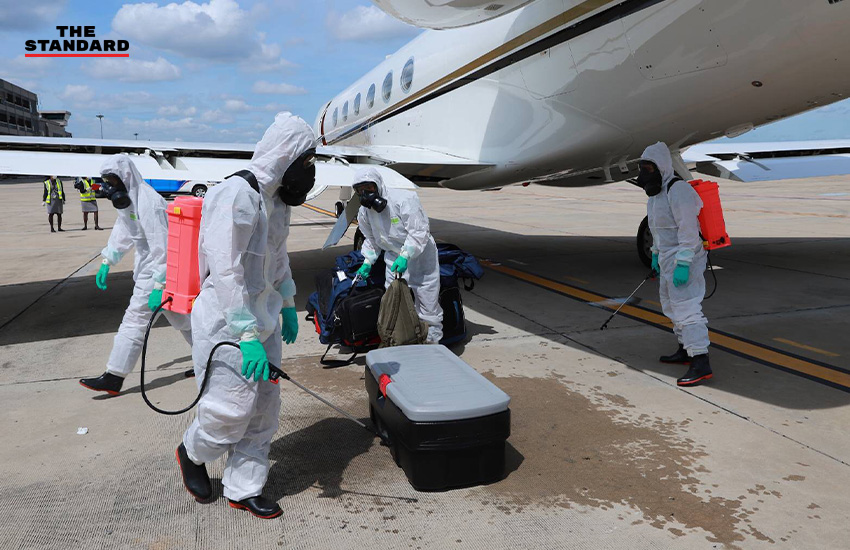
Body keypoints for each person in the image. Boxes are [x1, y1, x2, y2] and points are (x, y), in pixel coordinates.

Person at [176, 112, 315, 519]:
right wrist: (245, 333)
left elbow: (278, 257)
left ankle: (244, 487)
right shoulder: (235, 194)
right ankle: (192, 452)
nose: (309, 171)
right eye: (306, 161)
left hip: (265, 317)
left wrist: (287, 303)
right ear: (285, 155)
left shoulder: (278, 201)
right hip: (226, 322)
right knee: (230, 409)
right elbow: (225, 270)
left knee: (264, 409)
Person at [79, 156, 192, 396]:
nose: (110, 186)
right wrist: (108, 260)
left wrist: (160, 283)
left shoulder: (149, 202)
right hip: (149, 267)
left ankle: (114, 376)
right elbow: (123, 230)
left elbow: (163, 245)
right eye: (106, 181)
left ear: (126, 176)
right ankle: (210, 359)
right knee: (185, 320)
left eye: (113, 180)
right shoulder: (129, 201)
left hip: (159, 269)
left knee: (135, 319)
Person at [638, 142, 712, 387]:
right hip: (668, 258)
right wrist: (655, 255)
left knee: (687, 308)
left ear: (661, 166)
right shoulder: (655, 195)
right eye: (643, 167)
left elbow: (688, 230)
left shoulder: (678, 189)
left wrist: (684, 263)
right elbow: (657, 229)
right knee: (671, 306)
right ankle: (685, 349)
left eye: (649, 167)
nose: (645, 173)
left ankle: (700, 360)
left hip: (685, 257)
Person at [353, 166, 443, 344]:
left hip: (420, 256)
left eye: (369, 188)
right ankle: (400, 336)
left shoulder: (403, 199)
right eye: (360, 190)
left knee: (426, 298)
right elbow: (371, 239)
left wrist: (406, 255)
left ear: (378, 185)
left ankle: (432, 340)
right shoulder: (365, 212)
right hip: (393, 257)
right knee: (394, 299)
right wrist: (367, 262)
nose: (365, 194)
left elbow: (419, 231)